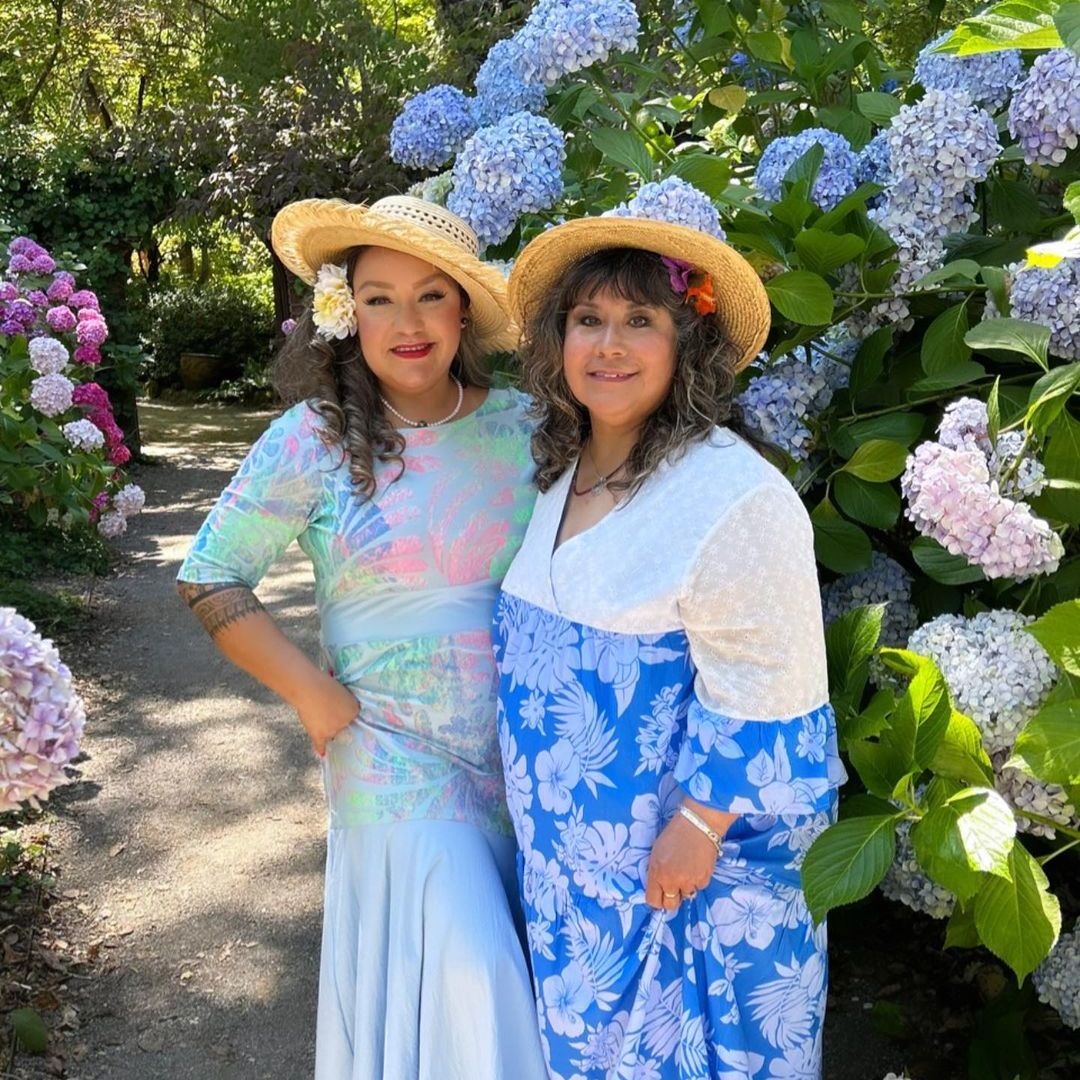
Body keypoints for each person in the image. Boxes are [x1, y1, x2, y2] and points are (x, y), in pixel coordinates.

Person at [176, 196, 547, 1079]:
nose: (407, 323)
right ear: (346, 314)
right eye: (379, 298)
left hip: (525, 751)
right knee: (471, 965)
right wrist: (313, 694)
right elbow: (209, 572)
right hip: (388, 757)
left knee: (514, 976)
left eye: (430, 296)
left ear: (464, 309)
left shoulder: (530, 427)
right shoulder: (312, 440)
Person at [491, 214, 847, 1078]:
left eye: (640, 321)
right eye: (588, 319)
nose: (609, 345)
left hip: (686, 880)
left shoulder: (733, 495)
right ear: (557, 339)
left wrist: (697, 826)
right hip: (576, 888)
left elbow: (777, 686)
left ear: (687, 342)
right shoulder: (559, 472)